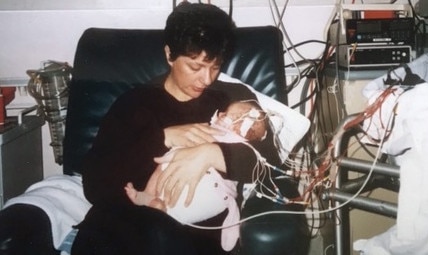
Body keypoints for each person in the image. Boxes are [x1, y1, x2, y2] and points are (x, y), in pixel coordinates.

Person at [71, 3, 286, 255]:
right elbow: (96, 184)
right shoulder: (135, 102)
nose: (206, 79)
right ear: (169, 55)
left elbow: (271, 164)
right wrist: (163, 138)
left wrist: (210, 153)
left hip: (189, 233)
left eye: (215, 66)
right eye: (195, 67)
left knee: (159, 235)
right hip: (126, 224)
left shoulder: (232, 100)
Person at [124, 100, 269, 251]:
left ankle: (165, 213)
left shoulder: (239, 141)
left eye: (228, 115)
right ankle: (148, 196)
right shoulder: (144, 99)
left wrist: (212, 151)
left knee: (190, 203)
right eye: (225, 113)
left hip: (213, 188)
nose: (221, 115)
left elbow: (261, 159)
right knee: (164, 163)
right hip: (175, 164)